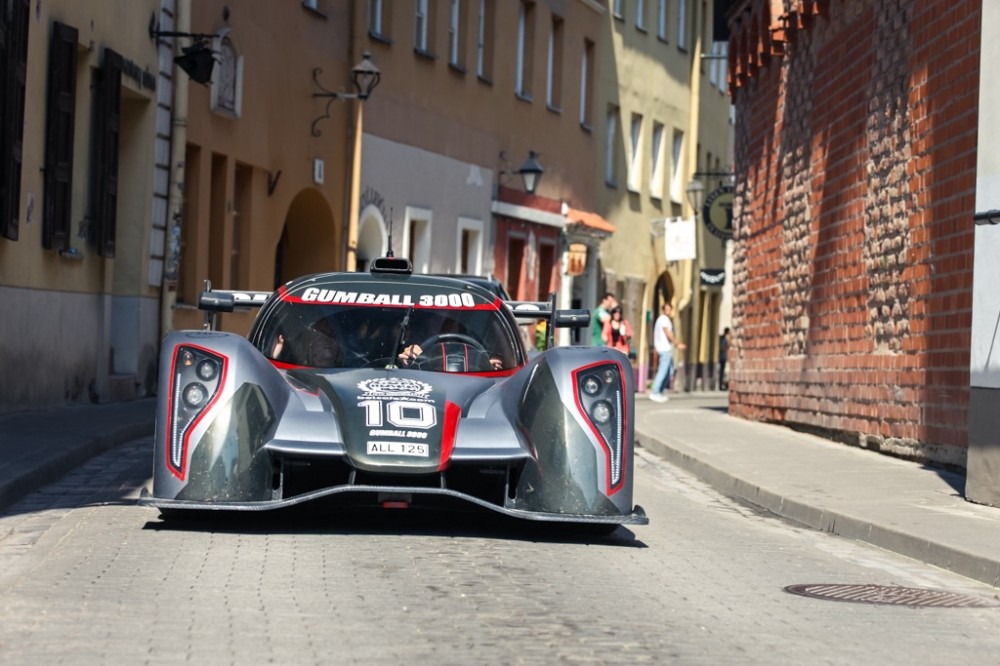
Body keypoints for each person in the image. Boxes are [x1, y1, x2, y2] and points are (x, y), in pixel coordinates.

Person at [649, 302, 685, 402]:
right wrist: (677, 344)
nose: (668, 311)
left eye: (670, 309)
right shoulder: (663, 320)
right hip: (664, 349)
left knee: (670, 371)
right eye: (666, 309)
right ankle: (655, 392)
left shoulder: (662, 320)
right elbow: (667, 333)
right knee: (663, 371)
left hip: (666, 349)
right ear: (663, 310)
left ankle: (660, 391)